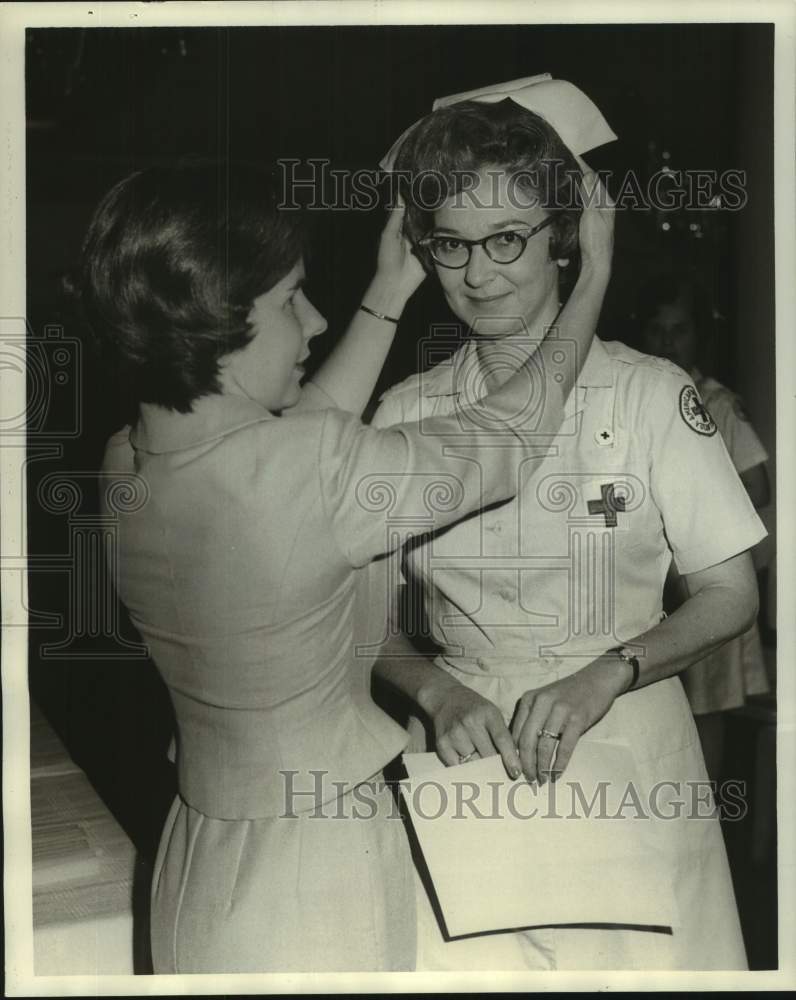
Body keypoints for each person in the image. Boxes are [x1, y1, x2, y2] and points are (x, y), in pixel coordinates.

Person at [75, 160, 606, 973]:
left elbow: (297, 434)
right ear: (213, 320)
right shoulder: (308, 472)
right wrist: (591, 278)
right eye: (289, 298)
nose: (316, 320)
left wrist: (388, 291)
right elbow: (510, 437)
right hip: (313, 862)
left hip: (196, 852)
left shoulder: (129, 459)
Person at [369, 75, 765, 970]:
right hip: (465, 760)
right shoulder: (404, 413)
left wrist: (607, 673)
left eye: (506, 238)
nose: (478, 274)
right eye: (452, 247)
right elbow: (354, 618)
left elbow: (729, 593)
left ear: (564, 239)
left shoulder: (653, 394)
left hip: (626, 739)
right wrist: (432, 689)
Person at [638, 271, 771, 781]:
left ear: (698, 336)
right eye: (657, 330)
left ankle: (706, 811)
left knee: (707, 704)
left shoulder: (714, 403)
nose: (668, 342)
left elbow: (759, 487)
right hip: (652, 582)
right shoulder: (632, 392)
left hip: (702, 580)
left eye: (681, 330)